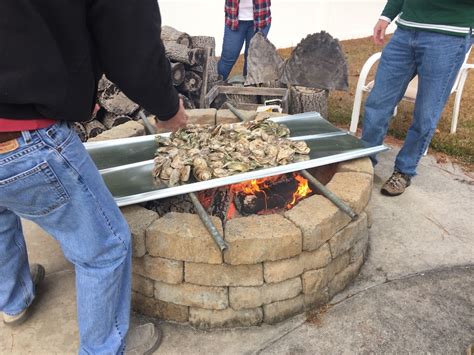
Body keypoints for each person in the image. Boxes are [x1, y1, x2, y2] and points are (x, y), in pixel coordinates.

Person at [0, 0, 187, 353]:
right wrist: (168, 108)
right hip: (25, 134)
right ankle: (103, 347)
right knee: (106, 247)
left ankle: (14, 300)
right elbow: (131, 43)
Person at [361, 0, 473, 196]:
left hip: (449, 35)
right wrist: (386, 16)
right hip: (405, 31)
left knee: (426, 112)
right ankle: (364, 161)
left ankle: (404, 171)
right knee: (378, 102)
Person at [218, 0, 272, 80]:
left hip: (261, 19)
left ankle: (248, 89)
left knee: (252, 61)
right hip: (233, 19)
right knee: (227, 59)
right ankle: (213, 86)